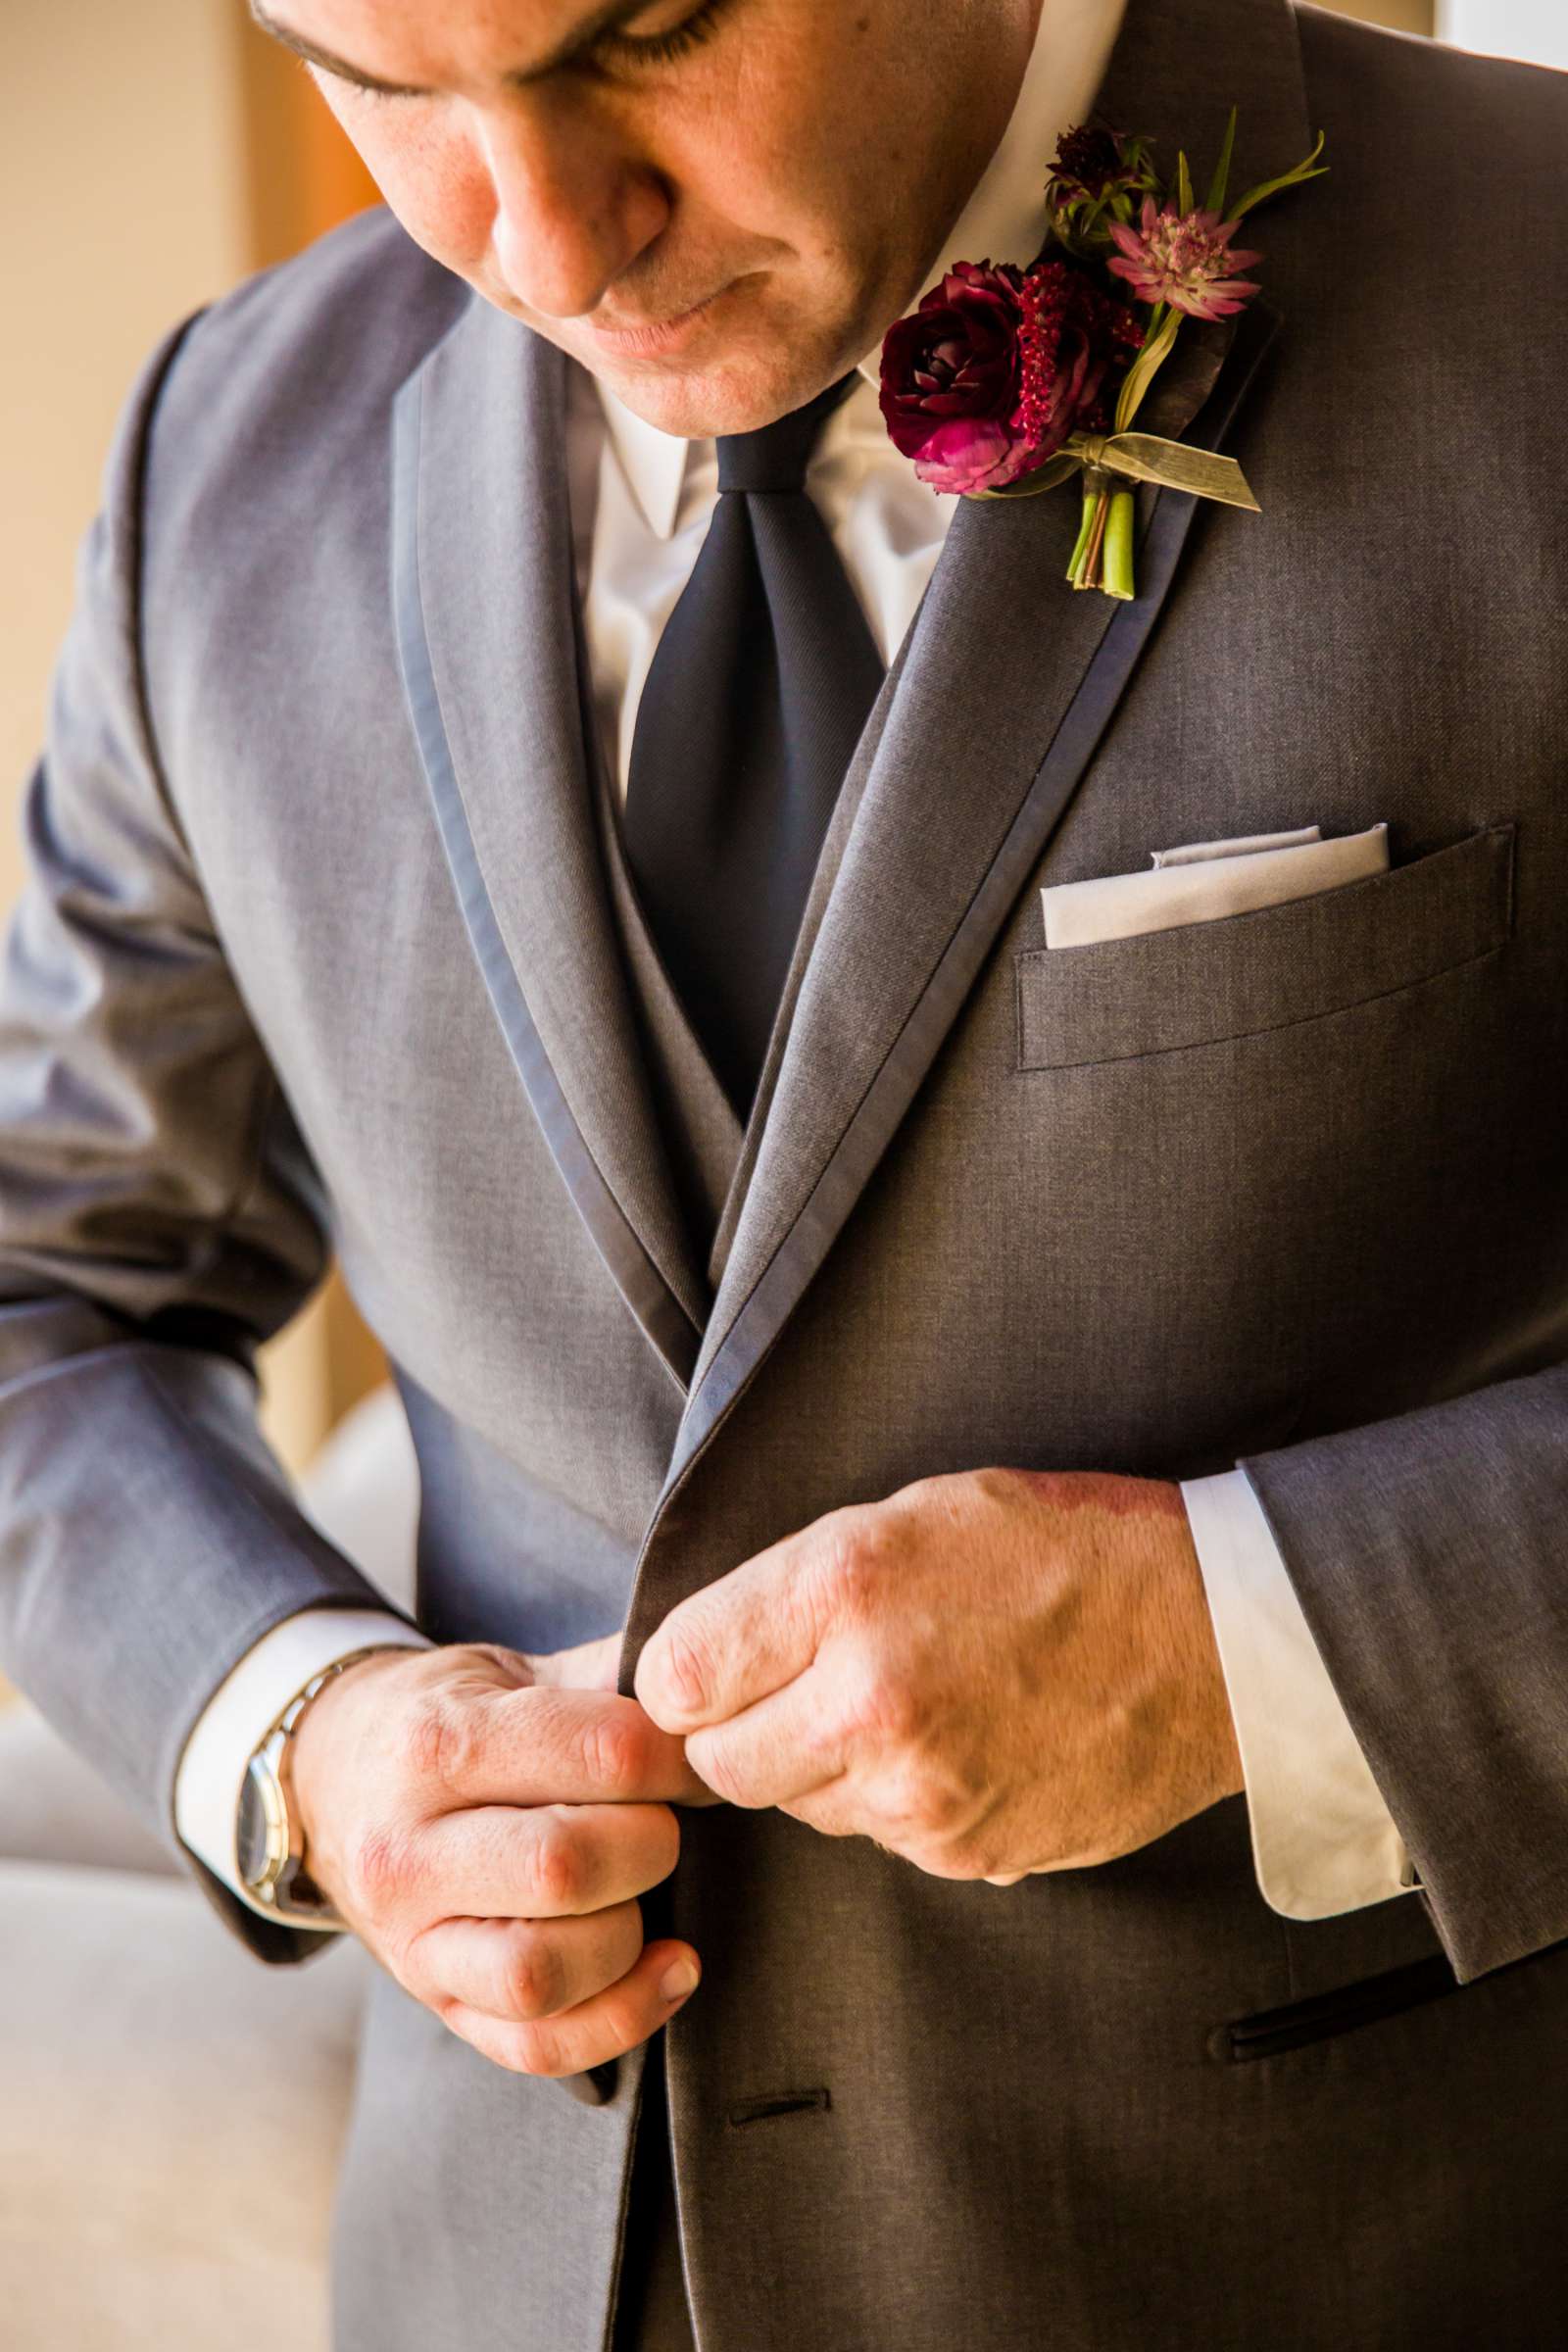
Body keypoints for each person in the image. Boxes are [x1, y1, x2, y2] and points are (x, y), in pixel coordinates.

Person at [1, 0, 1565, 2342]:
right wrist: (309, 1739)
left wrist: (1252, 1647)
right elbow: (46, 1291)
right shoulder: (224, 452)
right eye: (386, 79)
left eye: (645, 31)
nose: (538, 239)